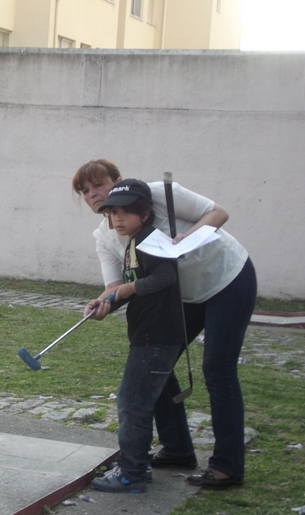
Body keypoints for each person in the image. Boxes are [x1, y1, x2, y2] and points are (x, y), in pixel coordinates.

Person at [73, 159, 256, 489]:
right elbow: (117, 286)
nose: (92, 194)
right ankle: (177, 449)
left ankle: (227, 465)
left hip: (227, 278)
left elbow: (218, 213)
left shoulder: (158, 194)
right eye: (85, 192)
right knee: (156, 363)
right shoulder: (106, 235)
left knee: (217, 368)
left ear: (118, 181)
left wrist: (187, 237)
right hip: (184, 296)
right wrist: (102, 303)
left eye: (99, 185)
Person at [88, 180, 185, 493]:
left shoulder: (151, 240)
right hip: (146, 333)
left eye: (126, 212)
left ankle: (132, 473)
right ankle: (140, 463)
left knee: (132, 403)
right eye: (113, 212)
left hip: (155, 335)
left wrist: (128, 288)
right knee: (138, 401)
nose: (117, 219)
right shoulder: (132, 242)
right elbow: (131, 285)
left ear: (144, 214)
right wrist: (105, 301)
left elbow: (165, 276)